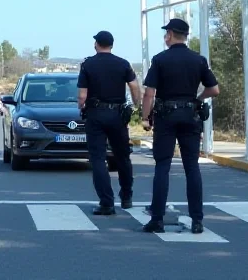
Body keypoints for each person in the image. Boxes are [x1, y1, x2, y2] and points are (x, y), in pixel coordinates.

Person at [140, 18, 220, 234]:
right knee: (191, 167)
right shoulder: (199, 60)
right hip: (190, 115)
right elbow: (214, 89)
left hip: (166, 117)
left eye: (166, 33)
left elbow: (149, 93)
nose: (165, 37)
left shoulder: (160, 59)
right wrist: (197, 99)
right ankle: (197, 220)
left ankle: (157, 219)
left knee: (163, 166)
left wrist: (145, 118)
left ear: (171, 35)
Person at [77, 30, 142, 214]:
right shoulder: (123, 64)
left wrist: (81, 106)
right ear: (112, 45)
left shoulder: (87, 65)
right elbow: (135, 87)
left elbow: (82, 95)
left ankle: (106, 202)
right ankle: (127, 196)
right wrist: (136, 105)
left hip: (96, 114)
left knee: (98, 158)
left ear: (96, 44)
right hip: (117, 115)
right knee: (122, 156)